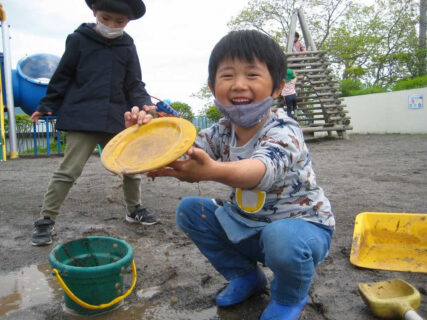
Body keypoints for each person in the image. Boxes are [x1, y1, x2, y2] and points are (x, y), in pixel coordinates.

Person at [125, 30, 334, 320]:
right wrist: (143, 133)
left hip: (301, 229)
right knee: (190, 210)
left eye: (252, 75)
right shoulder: (220, 132)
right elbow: (179, 152)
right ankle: (247, 277)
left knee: (281, 237)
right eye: (227, 76)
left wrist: (210, 171)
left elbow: (260, 171)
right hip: (249, 224)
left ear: (277, 87)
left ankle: (288, 298)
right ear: (212, 86)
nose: (238, 85)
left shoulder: (284, 129)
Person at [30, 0, 159, 246]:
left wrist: (144, 103)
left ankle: (134, 210)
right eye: (106, 18)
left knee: (131, 167)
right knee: (68, 170)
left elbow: (134, 83)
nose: (111, 25)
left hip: (116, 116)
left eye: (119, 22)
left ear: (128, 22)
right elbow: (63, 76)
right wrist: (47, 105)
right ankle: (46, 220)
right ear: (94, 13)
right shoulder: (78, 39)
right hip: (82, 115)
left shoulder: (127, 45)